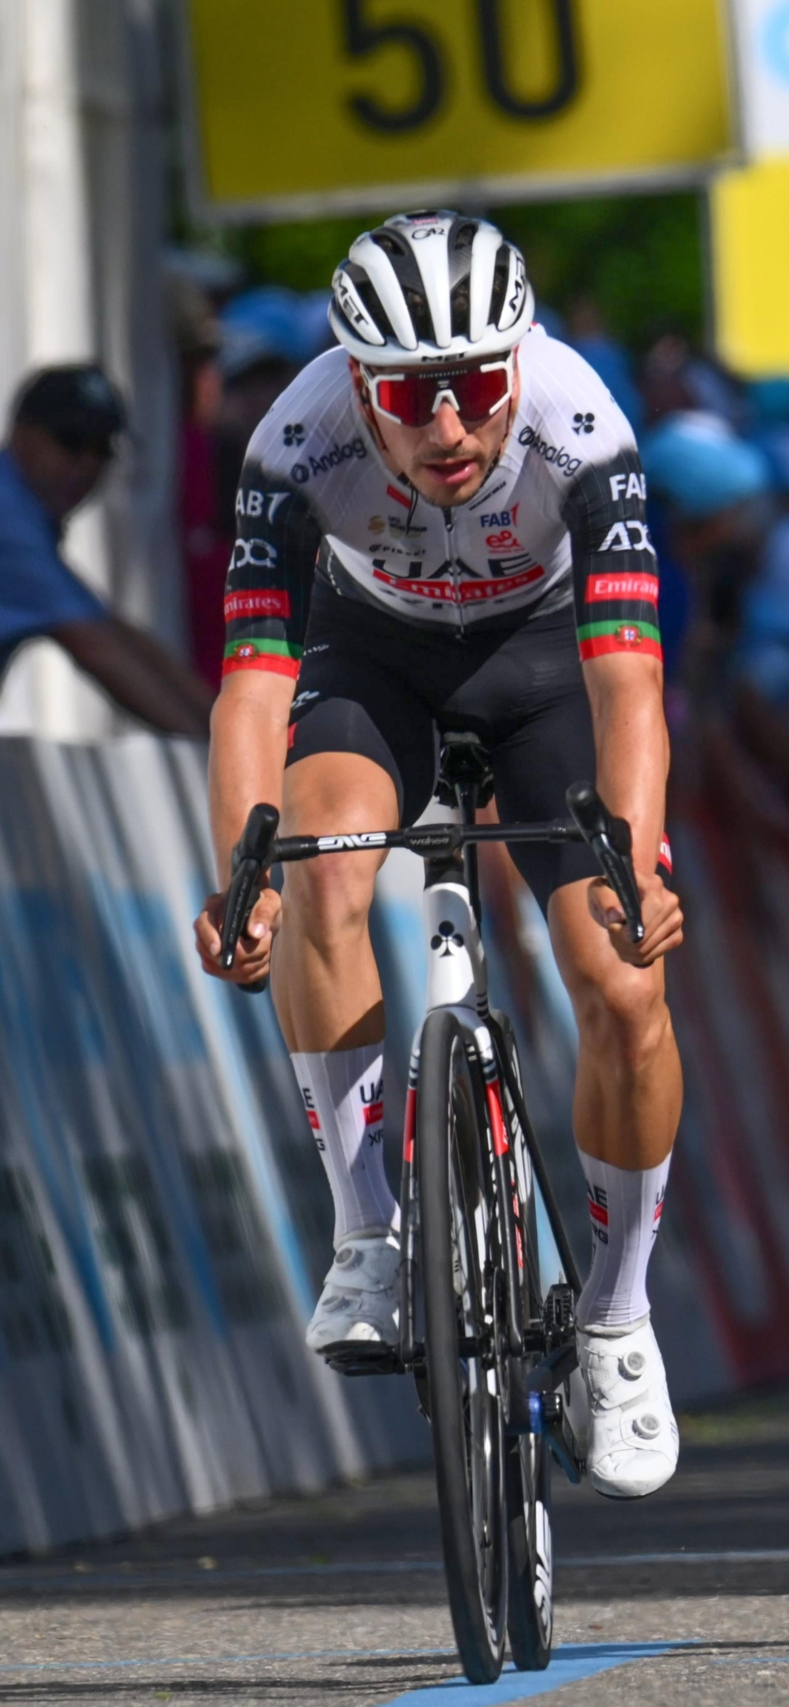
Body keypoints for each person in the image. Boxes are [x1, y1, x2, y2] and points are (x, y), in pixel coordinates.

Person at [190, 212, 687, 1499]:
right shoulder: (292, 443)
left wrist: (637, 867)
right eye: (413, 395)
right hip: (378, 661)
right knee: (320, 877)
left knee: (625, 985)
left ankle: (620, 1322)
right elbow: (251, 686)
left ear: (519, 366)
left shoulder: (584, 422)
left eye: (477, 386)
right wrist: (238, 866)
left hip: (546, 671)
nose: (451, 424)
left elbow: (631, 687)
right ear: (360, 382)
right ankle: (367, 1234)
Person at [0, 365, 213, 735]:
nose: (87, 465)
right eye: (71, 441)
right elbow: (99, 651)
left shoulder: (20, 511)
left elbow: (114, 633)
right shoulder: (9, 517)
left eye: (104, 449)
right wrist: (230, 755)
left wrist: (236, 736)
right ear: (22, 434)